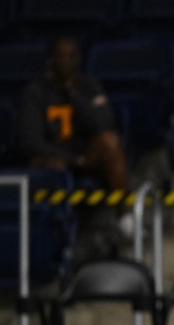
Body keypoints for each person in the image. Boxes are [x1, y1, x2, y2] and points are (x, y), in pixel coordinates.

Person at [15, 34, 133, 241]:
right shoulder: (35, 92)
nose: (67, 62)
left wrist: (74, 96)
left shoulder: (88, 87)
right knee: (41, 162)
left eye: (72, 56)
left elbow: (103, 123)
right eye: (61, 56)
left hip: (85, 157)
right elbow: (29, 141)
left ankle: (125, 218)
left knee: (110, 141)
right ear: (50, 60)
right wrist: (64, 159)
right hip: (53, 158)